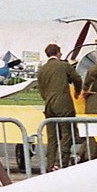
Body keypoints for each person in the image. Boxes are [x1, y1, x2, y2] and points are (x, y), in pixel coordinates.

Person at [36, 43, 82, 171]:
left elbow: (40, 89)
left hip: (49, 105)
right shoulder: (63, 65)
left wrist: (48, 99)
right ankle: (61, 163)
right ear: (58, 53)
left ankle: (50, 164)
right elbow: (77, 79)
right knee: (67, 134)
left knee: (52, 137)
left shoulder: (42, 69)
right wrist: (77, 92)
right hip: (63, 104)